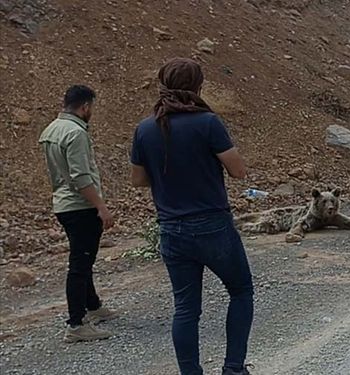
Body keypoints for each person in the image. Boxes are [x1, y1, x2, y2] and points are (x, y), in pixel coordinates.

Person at [130, 58, 254, 375]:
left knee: (186, 308)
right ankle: (233, 369)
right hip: (213, 225)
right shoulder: (208, 123)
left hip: (172, 229)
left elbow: (139, 180)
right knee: (240, 291)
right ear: (198, 87)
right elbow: (238, 171)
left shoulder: (145, 129)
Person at [39, 85, 118, 343]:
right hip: (80, 207)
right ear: (85, 106)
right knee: (80, 264)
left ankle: (93, 305)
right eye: (91, 108)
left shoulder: (51, 129)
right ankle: (76, 323)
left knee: (84, 257)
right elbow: (81, 177)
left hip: (63, 203)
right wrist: (101, 206)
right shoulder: (76, 133)